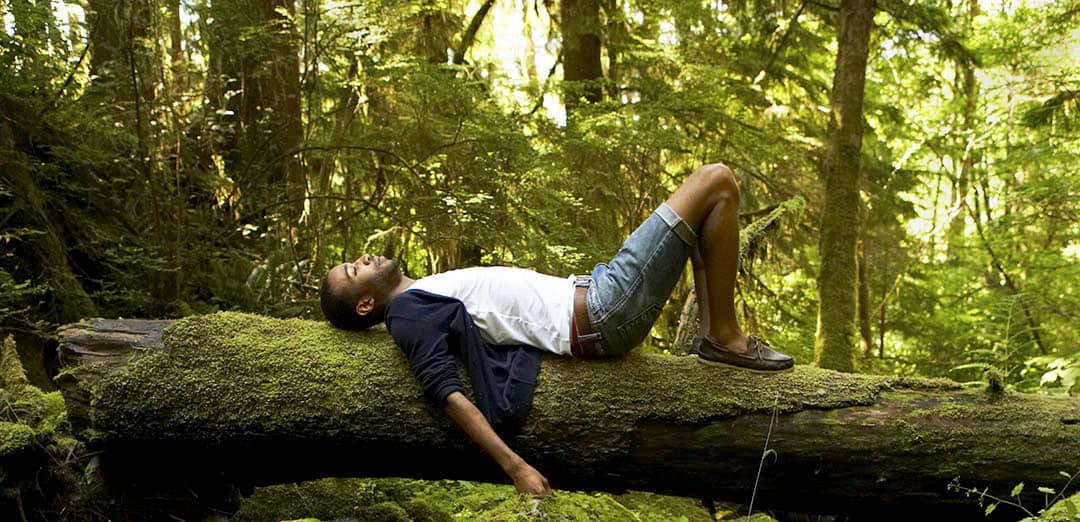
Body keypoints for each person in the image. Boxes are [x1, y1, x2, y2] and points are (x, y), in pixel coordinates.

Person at [319, 163, 794, 496]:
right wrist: (515, 467)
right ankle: (725, 338)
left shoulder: (423, 290)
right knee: (717, 180)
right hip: (603, 312)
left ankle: (717, 333)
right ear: (365, 303)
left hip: (600, 292)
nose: (363, 258)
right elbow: (448, 395)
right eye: (353, 270)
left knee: (708, 210)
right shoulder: (407, 315)